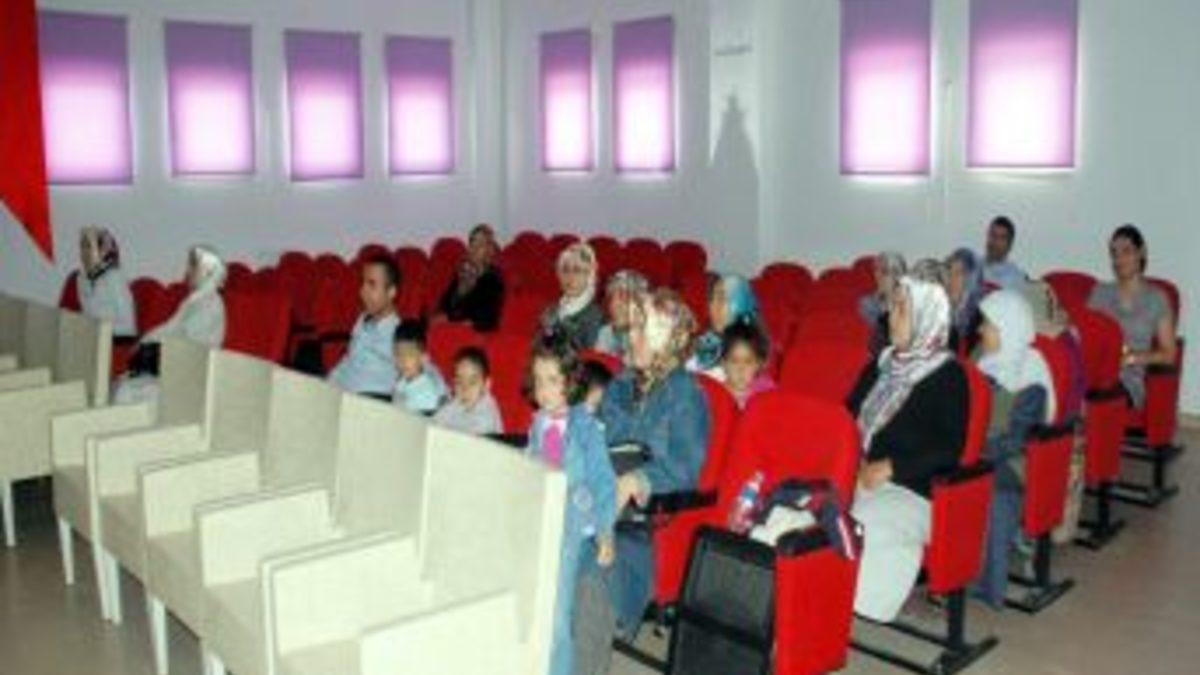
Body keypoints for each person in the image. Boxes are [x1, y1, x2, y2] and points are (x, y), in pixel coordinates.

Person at [575, 289, 711, 674]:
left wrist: (636, 479)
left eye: (638, 330)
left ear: (662, 338)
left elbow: (685, 468)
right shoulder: (620, 384)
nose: (627, 337)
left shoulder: (686, 395)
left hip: (642, 527)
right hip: (595, 507)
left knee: (589, 572)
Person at [846, 276, 968, 622]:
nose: (890, 317)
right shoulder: (881, 364)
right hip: (859, 475)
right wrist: (849, 458)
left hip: (913, 489)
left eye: (902, 309)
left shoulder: (948, 376)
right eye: (892, 306)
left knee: (859, 524)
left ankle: (842, 606)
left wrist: (891, 467)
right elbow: (847, 416)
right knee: (809, 508)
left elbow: (948, 448)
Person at [523, 335, 617, 675]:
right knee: (531, 600)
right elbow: (529, 465)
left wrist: (605, 532)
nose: (544, 390)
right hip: (540, 514)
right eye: (538, 381)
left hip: (571, 523)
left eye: (553, 380)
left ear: (571, 382)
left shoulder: (585, 426)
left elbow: (604, 482)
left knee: (556, 611)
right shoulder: (539, 422)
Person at [971, 290, 1054, 608]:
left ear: (1008, 328)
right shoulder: (980, 359)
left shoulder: (1030, 375)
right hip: (976, 450)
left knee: (992, 488)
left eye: (988, 325)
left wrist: (972, 450)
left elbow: (1016, 440)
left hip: (1011, 461)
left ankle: (986, 582)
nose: (980, 330)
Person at [112, 245, 227, 408]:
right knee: (122, 385)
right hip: (173, 365)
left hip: (190, 375)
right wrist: (143, 342)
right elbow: (169, 327)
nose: (187, 271)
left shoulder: (211, 304)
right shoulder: (194, 300)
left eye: (193, 266)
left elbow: (190, 347)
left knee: (129, 391)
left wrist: (153, 351)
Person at [1087, 224, 1178, 410]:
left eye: (1126, 251)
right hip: (1094, 370)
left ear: (1141, 252)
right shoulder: (1100, 292)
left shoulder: (1156, 298)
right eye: (1114, 253)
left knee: (1096, 394)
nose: (1119, 259)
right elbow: (1085, 332)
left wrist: (1131, 358)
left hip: (1127, 381)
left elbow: (1169, 354)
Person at [328, 256, 402, 397]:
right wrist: (325, 385)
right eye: (363, 284)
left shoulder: (399, 334)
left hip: (371, 401)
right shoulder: (362, 321)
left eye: (372, 285)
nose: (363, 291)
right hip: (343, 396)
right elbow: (349, 360)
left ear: (391, 292)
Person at [689, 273, 766, 379]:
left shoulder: (749, 351)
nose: (714, 306)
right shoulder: (706, 341)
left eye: (722, 298)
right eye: (712, 299)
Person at [436, 224, 505, 332]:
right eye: (473, 243)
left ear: (489, 249)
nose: (474, 248)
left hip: (475, 332)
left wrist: (457, 324)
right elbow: (444, 305)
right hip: (452, 327)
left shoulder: (493, 279)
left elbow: (487, 320)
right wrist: (460, 290)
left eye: (481, 244)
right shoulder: (462, 273)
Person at [540, 242, 605, 350]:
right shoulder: (551, 310)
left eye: (577, 270)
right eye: (565, 270)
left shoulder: (596, 316)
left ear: (589, 276)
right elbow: (540, 348)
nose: (570, 277)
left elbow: (591, 356)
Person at [76, 226, 136, 338]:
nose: (84, 253)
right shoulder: (81, 279)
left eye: (89, 246)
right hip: (93, 339)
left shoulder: (114, 277)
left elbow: (128, 324)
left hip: (117, 340)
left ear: (102, 251)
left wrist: (99, 330)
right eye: (82, 247)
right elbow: (88, 314)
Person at [433, 346, 503, 435]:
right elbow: (435, 422)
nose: (465, 389)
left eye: (472, 383)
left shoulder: (487, 415)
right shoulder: (457, 402)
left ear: (486, 385)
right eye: (459, 382)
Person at [391, 321, 447, 415]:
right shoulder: (402, 381)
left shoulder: (427, 393)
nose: (403, 360)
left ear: (424, 357)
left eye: (410, 354)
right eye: (398, 353)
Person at [594, 270, 650, 359]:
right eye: (612, 299)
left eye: (625, 301)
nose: (615, 306)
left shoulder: (648, 337)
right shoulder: (605, 333)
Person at [721, 320, 775, 409]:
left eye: (748, 362)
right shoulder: (718, 393)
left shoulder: (766, 391)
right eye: (734, 361)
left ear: (758, 364)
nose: (741, 369)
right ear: (723, 363)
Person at [945, 248, 985, 356]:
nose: (951, 279)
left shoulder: (982, 323)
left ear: (972, 279)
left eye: (959, 273)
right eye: (949, 272)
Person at [981, 216, 1027, 289]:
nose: (996, 242)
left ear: (1010, 244)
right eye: (993, 235)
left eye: (1002, 238)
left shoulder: (1016, 278)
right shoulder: (971, 268)